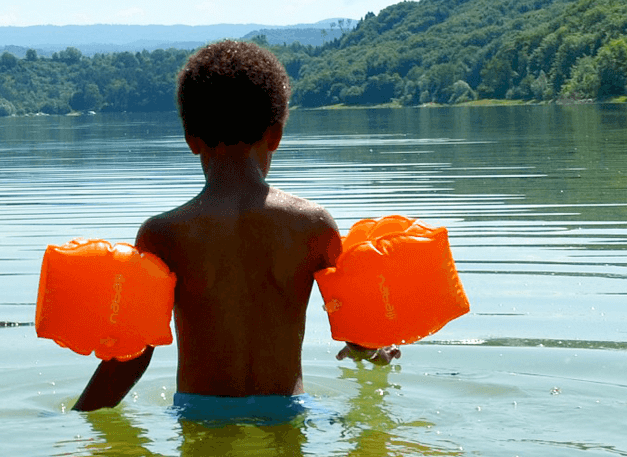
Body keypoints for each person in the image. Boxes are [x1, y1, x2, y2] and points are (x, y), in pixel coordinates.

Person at [70, 40, 398, 424]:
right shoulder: (313, 224)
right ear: (275, 135)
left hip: (200, 414)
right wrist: (373, 352)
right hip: (287, 414)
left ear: (191, 141)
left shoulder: (163, 234)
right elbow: (357, 331)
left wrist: (75, 417)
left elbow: (130, 357)